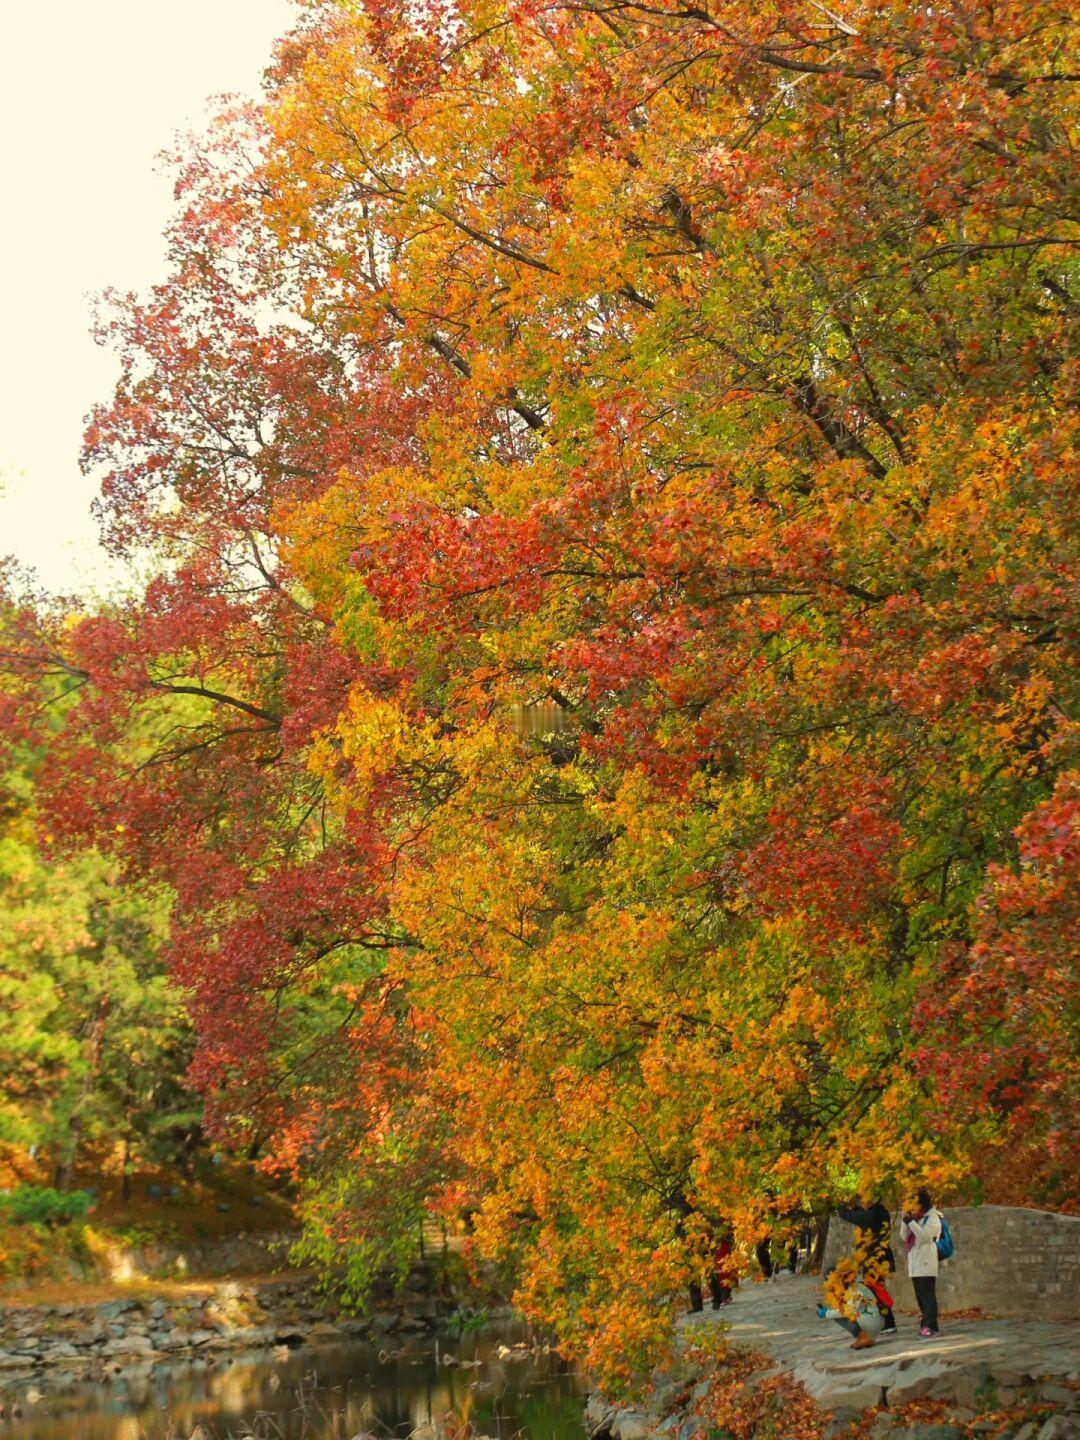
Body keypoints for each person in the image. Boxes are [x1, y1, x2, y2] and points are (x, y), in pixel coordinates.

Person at [838, 1193, 898, 1337]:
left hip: (876, 1259)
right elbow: (860, 1214)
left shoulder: (874, 1215)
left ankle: (889, 1323)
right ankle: (887, 1322)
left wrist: (841, 1209)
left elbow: (857, 1217)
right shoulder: (879, 1211)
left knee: (876, 1291)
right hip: (876, 1258)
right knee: (876, 1290)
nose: (864, 1202)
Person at [900, 1187, 942, 1338]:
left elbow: (924, 1236)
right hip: (915, 1262)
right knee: (920, 1296)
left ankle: (931, 1326)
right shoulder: (916, 1218)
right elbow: (904, 1236)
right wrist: (906, 1221)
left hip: (926, 1260)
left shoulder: (933, 1218)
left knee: (927, 1295)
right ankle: (927, 1324)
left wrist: (911, 1222)